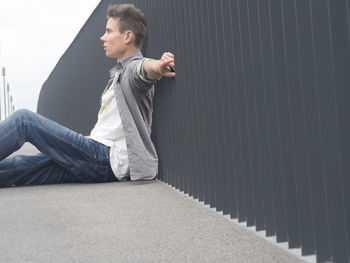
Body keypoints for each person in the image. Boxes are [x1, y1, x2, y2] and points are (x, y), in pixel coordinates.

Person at [0, 4, 175, 187]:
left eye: (108, 32)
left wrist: (159, 66)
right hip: (98, 156)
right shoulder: (117, 76)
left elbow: (144, 70)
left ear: (128, 37)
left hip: (105, 158)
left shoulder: (132, 68)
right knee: (20, 168)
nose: (103, 38)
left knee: (24, 121)